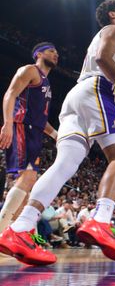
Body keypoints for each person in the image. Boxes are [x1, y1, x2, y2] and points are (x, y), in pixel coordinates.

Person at [0, 0, 115, 266]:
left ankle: (20, 229)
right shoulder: (114, 30)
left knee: (63, 166)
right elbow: (102, 59)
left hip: (77, 98)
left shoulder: (103, 36)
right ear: (113, 15)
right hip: (98, 90)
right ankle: (101, 220)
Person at [0, 43, 59, 232]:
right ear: (38, 54)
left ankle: (11, 233)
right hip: (21, 126)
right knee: (27, 177)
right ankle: (2, 228)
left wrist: (57, 135)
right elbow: (10, 94)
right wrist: (8, 123)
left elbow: (41, 119)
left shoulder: (47, 83)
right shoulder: (29, 70)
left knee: (27, 184)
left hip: (35, 131)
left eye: (57, 52)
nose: (55, 54)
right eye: (51, 50)